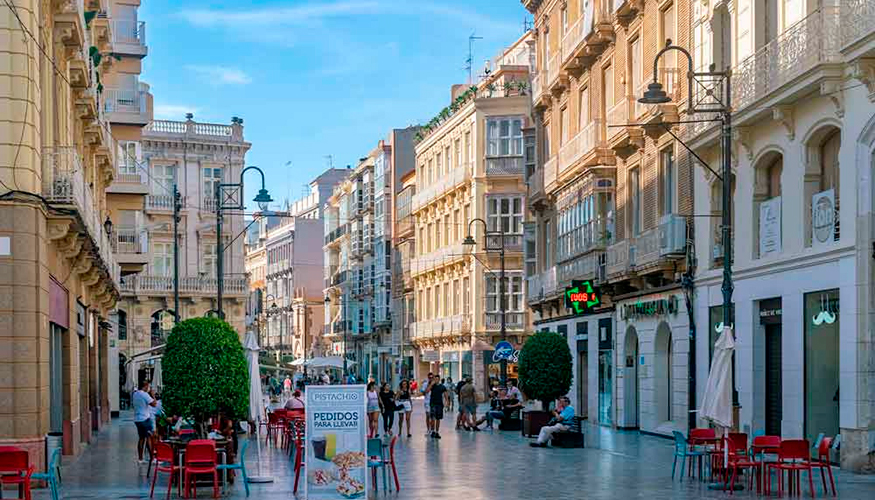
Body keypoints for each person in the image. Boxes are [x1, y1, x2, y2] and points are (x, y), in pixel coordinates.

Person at [132, 381, 157, 463]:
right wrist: (153, 395)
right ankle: (152, 459)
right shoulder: (144, 394)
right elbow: (154, 404)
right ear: (145, 386)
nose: (149, 388)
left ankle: (140, 459)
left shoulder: (135, 394)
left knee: (141, 438)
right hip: (145, 419)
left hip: (137, 419)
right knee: (149, 438)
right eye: (148, 386)